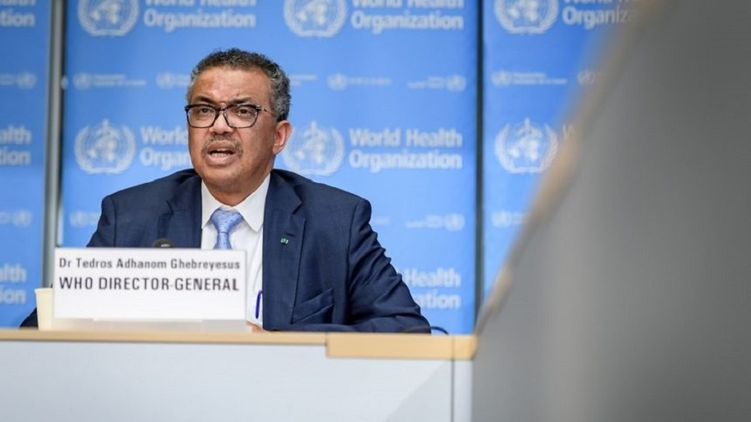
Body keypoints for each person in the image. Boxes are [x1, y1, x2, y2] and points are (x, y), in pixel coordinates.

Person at [22, 48, 429, 333]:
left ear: (279, 136)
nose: (219, 126)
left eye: (242, 110)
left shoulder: (335, 221)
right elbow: (43, 332)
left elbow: (405, 329)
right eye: (204, 110)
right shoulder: (131, 217)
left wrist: (274, 346)